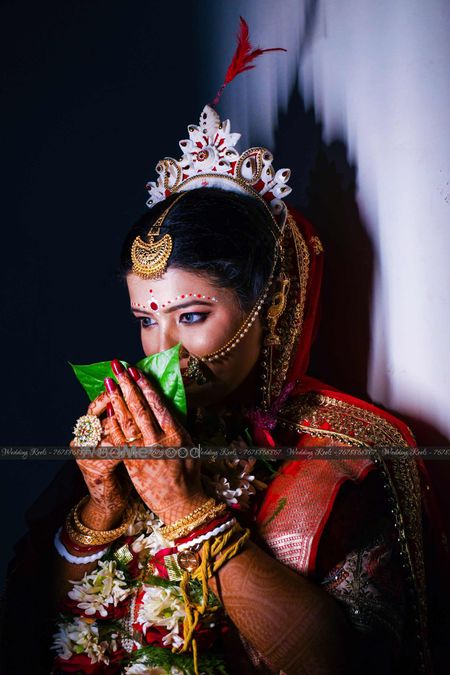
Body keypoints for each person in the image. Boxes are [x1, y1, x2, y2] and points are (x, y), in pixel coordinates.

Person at [2, 27, 448, 675]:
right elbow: (43, 626)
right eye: (145, 320)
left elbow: (343, 662)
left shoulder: (352, 453)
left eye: (191, 315)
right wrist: (101, 507)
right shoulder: (133, 431)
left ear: (270, 308)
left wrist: (186, 508)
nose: (163, 350)